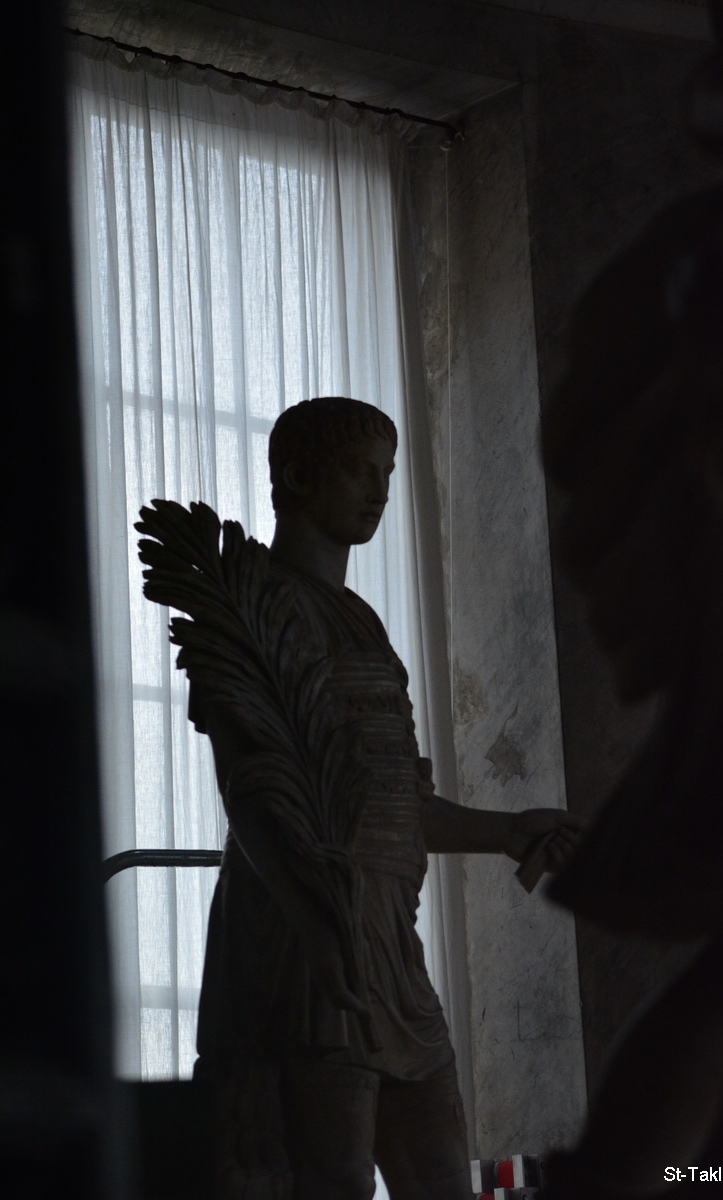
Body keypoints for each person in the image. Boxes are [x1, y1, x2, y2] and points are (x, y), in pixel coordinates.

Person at [136, 397, 583, 1200]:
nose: (378, 491)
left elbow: (393, 805)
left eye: (386, 472)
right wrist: (316, 915)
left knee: (439, 1173)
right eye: (357, 471)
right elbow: (252, 791)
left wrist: (507, 830)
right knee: (329, 1177)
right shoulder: (250, 605)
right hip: (304, 939)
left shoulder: (363, 624)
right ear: (296, 477)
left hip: (384, 942)